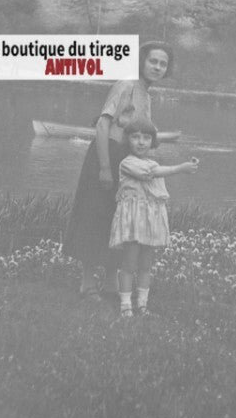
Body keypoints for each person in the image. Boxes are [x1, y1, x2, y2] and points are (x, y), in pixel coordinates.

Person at [62, 41, 179, 296]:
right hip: (108, 154)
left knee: (121, 216)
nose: (157, 67)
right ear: (141, 61)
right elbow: (103, 125)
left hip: (128, 159)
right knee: (96, 213)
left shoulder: (146, 95)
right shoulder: (125, 84)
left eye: (163, 64)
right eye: (153, 61)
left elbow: (143, 133)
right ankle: (87, 282)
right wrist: (105, 167)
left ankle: (111, 279)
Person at [109, 117, 199, 317]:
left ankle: (142, 305)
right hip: (133, 221)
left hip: (149, 221)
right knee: (129, 263)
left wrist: (184, 168)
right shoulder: (128, 163)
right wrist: (180, 168)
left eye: (146, 138)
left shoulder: (153, 162)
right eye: (135, 137)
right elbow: (149, 174)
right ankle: (125, 306)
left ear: (152, 141)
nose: (141, 142)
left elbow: (157, 188)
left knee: (146, 265)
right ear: (127, 140)